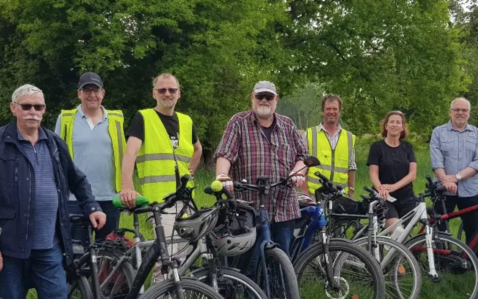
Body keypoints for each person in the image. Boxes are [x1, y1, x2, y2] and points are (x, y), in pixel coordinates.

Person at [0, 84, 106, 299]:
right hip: (8, 245)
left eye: (39, 107)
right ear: (14, 109)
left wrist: (91, 206)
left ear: (45, 110)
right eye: (26, 106)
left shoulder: (53, 142)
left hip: (49, 244)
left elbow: (76, 178)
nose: (33, 112)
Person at [119, 73, 202, 282]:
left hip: (185, 200)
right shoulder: (144, 117)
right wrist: (127, 186)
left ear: (179, 94)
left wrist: (190, 170)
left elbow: (197, 149)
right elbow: (130, 153)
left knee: (183, 256)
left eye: (172, 90)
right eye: (162, 90)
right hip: (160, 201)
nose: (167, 94)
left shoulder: (186, 120)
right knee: (167, 258)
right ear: (154, 93)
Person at [214, 80, 308, 265]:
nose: (264, 100)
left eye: (269, 97)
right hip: (249, 206)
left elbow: (303, 156)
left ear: (276, 100)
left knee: (281, 261)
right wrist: (222, 175)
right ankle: (246, 292)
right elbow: (225, 154)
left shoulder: (287, 125)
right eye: (260, 96)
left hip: (283, 206)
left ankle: (280, 291)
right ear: (252, 98)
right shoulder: (238, 122)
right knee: (248, 262)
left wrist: (298, 172)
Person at [54, 72, 126, 243]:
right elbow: (55, 158)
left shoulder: (116, 120)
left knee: (108, 256)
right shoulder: (65, 119)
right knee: (78, 256)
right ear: (79, 93)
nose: (92, 95)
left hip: (109, 197)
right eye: (87, 90)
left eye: (96, 90)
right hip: (74, 198)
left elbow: (125, 156)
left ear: (103, 93)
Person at [430, 98, 478, 248]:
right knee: (439, 228)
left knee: (473, 229)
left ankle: (472, 263)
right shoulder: (438, 132)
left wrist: (456, 178)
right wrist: (445, 181)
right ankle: (441, 263)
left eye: (464, 110)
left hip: (470, 190)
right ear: (450, 112)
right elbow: (437, 161)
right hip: (443, 191)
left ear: (469, 113)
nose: (460, 113)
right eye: (457, 110)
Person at [367, 110, 418, 229]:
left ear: (403, 127)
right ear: (386, 125)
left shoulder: (407, 147)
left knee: (407, 235)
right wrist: (381, 189)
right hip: (384, 197)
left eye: (398, 122)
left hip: (407, 197)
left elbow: (413, 174)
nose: (394, 125)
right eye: (391, 122)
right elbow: (373, 173)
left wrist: (394, 186)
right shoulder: (377, 147)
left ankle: (392, 248)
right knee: (397, 230)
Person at [303, 94, 357, 197]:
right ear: (323, 111)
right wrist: (305, 191)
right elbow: (302, 164)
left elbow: (351, 166)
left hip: (340, 195)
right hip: (315, 194)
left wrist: (351, 190)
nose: (331, 112)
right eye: (328, 109)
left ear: (339, 111)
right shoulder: (310, 134)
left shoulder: (349, 137)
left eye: (335, 109)